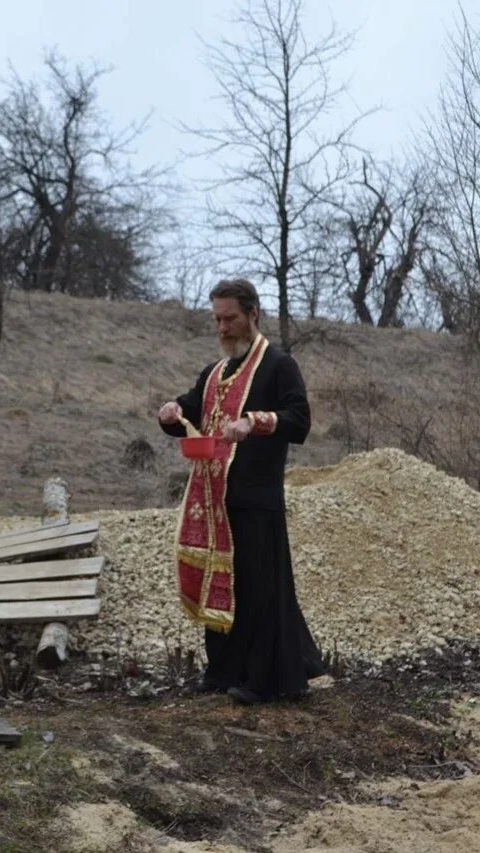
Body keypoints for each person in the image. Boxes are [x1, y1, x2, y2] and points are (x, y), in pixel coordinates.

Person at [158, 279, 326, 704]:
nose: (223, 327)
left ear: (252, 314)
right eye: (216, 319)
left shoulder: (278, 364)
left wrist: (255, 422)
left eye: (230, 318)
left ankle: (262, 678)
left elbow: (299, 419)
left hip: (257, 497)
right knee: (223, 584)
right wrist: (171, 412)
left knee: (258, 589)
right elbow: (191, 408)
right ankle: (223, 670)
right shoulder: (216, 371)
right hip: (216, 501)